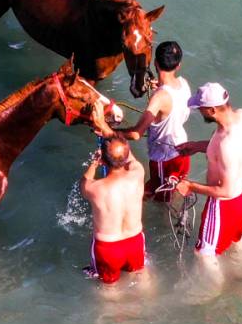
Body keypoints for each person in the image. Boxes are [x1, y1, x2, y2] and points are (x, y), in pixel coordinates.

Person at [175, 82, 242, 257]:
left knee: (204, 253)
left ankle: (216, 285)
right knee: (237, 239)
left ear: (212, 110)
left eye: (201, 108)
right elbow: (231, 152)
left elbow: (225, 190)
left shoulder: (225, 143)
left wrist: (190, 186)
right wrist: (198, 146)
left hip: (225, 204)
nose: (199, 111)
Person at [109, 41, 192, 202]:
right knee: (170, 192)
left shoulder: (159, 98)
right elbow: (170, 100)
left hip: (164, 160)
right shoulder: (183, 84)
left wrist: (110, 132)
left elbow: (135, 133)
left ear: (155, 62)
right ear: (178, 65)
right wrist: (160, 87)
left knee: (158, 200)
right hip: (183, 152)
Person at [79, 137, 147, 284]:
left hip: (108, 248)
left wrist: (95, 163)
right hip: (135, 241)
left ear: (103, 160)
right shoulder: (138, 173)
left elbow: (83, 183)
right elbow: (131, 159)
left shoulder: (94, 188)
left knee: (109, 290)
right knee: (142, 276)